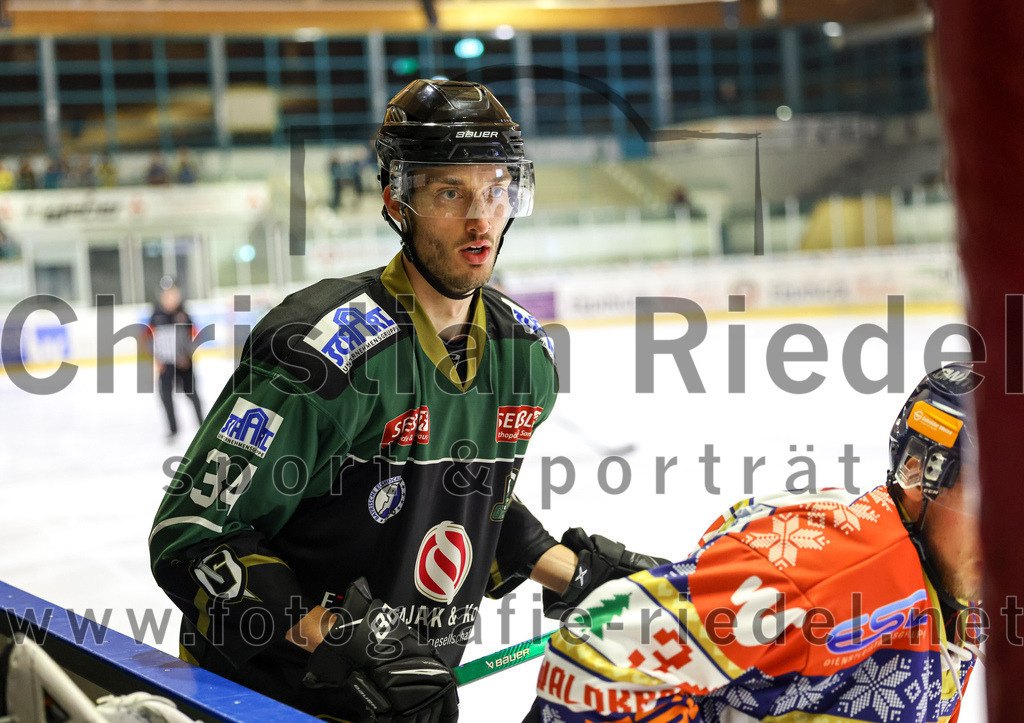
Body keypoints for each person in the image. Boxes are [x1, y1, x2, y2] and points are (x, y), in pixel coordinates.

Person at [148, 78, 667, 722]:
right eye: (451, 192)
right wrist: (332, 636)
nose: (481, 218)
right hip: (269, 703)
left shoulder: (523, 360)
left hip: (413, 706)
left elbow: (463, 504)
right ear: (398, 200)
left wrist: (580, 576)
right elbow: (192, 537)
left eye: (496, 189)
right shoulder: (319, 355)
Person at [525, 363, 983, 723]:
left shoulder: (960, 595)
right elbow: (597, 652)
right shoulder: (840, 567)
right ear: (924, 474)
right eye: (996, 496)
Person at [145, 278, 204, 441]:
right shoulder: (156, 315)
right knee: (165, 394)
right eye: (167, 294)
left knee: (191, 393)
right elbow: (149, 338)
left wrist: (187, 355)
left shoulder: (184, 313)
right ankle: (173, 429)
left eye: (173, 294)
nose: (170, 297)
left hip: (184, 363)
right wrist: (157, 360)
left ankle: (203, 425)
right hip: (166, 363)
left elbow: (196, 336)